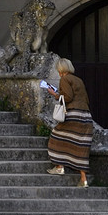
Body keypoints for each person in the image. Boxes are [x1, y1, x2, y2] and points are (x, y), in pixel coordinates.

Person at [43, 57, 94, 187]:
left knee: (56, 137)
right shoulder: (78, 80)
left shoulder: (65, 79)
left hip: (74, 114)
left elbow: (68, 97)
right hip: (86, 115)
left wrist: (55, 94)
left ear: (60, 70)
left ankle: (59, 166)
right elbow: (85, 98)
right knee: (80, 146)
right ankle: (83, 179)